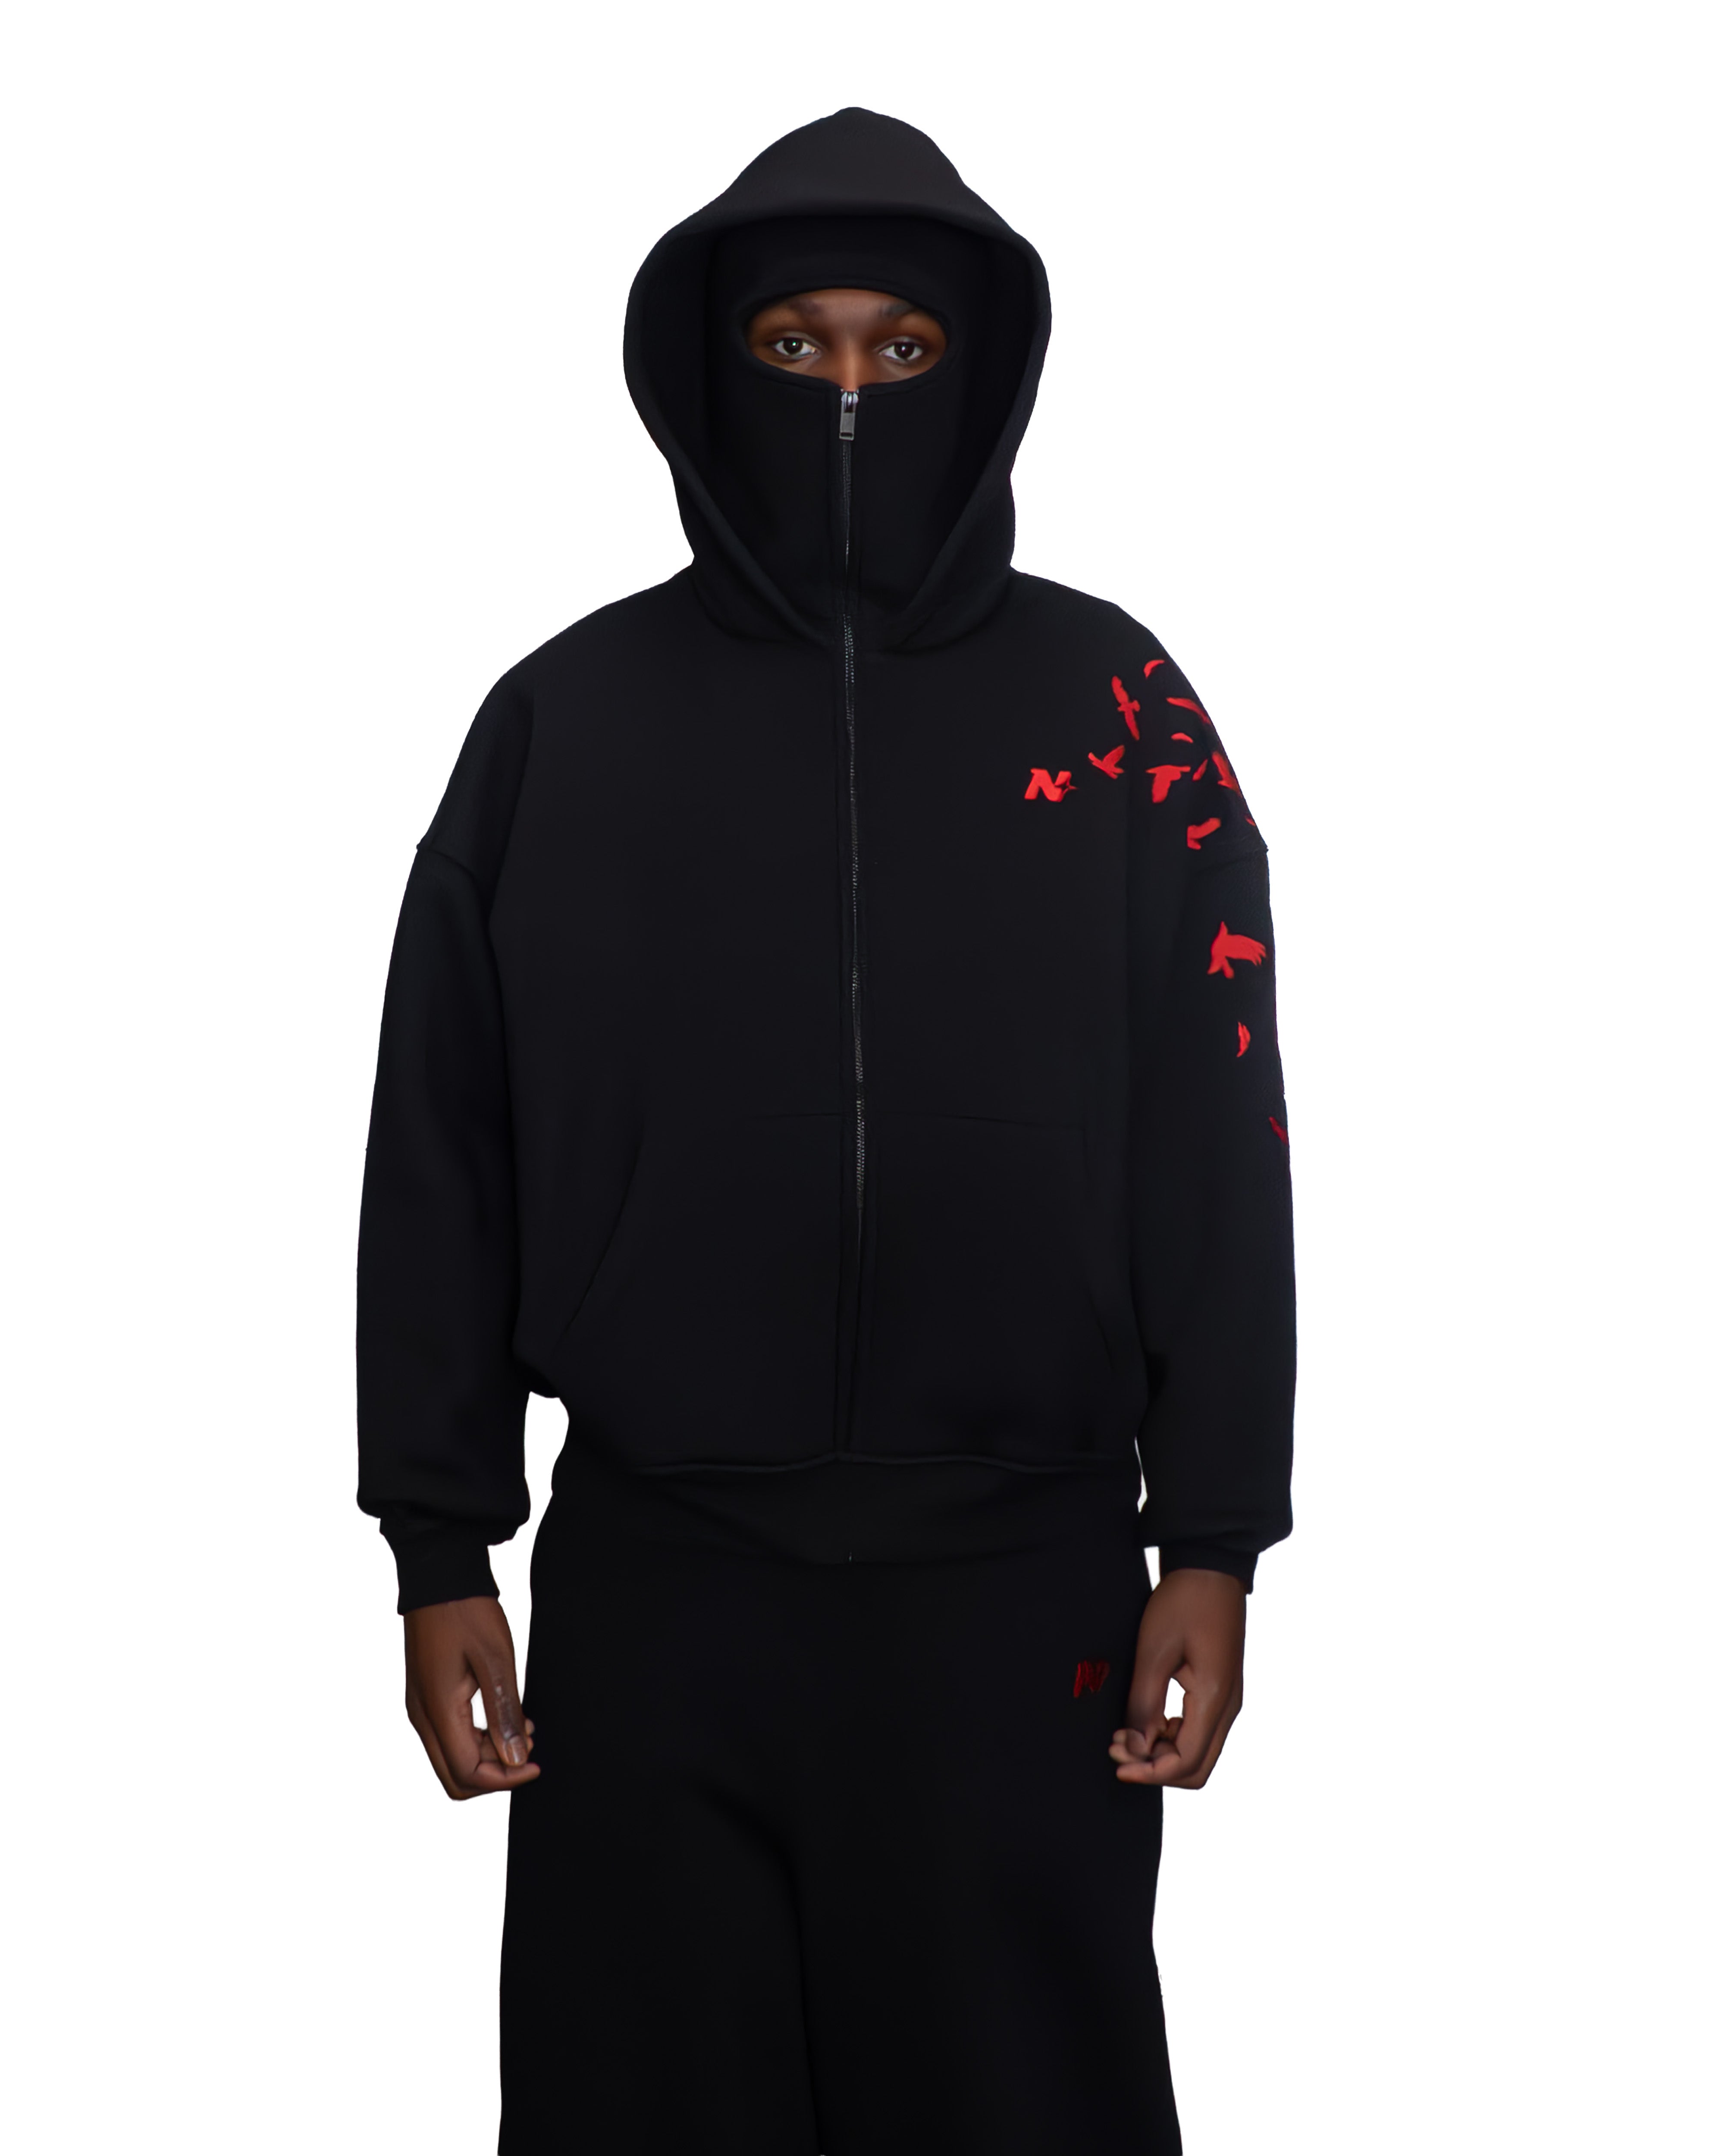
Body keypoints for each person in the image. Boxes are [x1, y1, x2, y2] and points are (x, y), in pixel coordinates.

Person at [357, 106, 1295, 2153]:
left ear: (982, 368)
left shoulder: (1118, 713)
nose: (849, 389)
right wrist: (439, 1540)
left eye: (902, 346)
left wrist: (1215, 1530)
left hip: (1023, 1584)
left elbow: (1218, 1137)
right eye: (794, 346)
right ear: (711, 368)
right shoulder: (566, 718)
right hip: (662, 1587)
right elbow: (443, 1138)